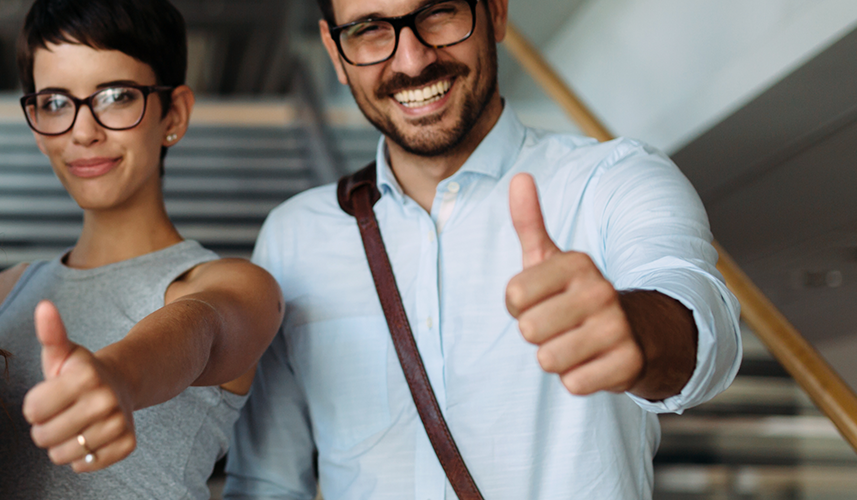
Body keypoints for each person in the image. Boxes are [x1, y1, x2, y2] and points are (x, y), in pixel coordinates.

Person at [225, 0, 742, 498]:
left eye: (439, 11)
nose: (412, 60)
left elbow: (701, 316)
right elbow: (266, 484)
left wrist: (636, 330)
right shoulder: (295, 236)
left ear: (495, 9)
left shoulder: (612, 181)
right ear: (335, 52)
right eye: (369, 30)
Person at [0, 0, 285, 498]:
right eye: (54, 102)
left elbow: (198, 330)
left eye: (115, 96)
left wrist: (117, 376)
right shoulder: (0, 294)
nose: (83, 130)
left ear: (173, 114)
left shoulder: (232, 285)